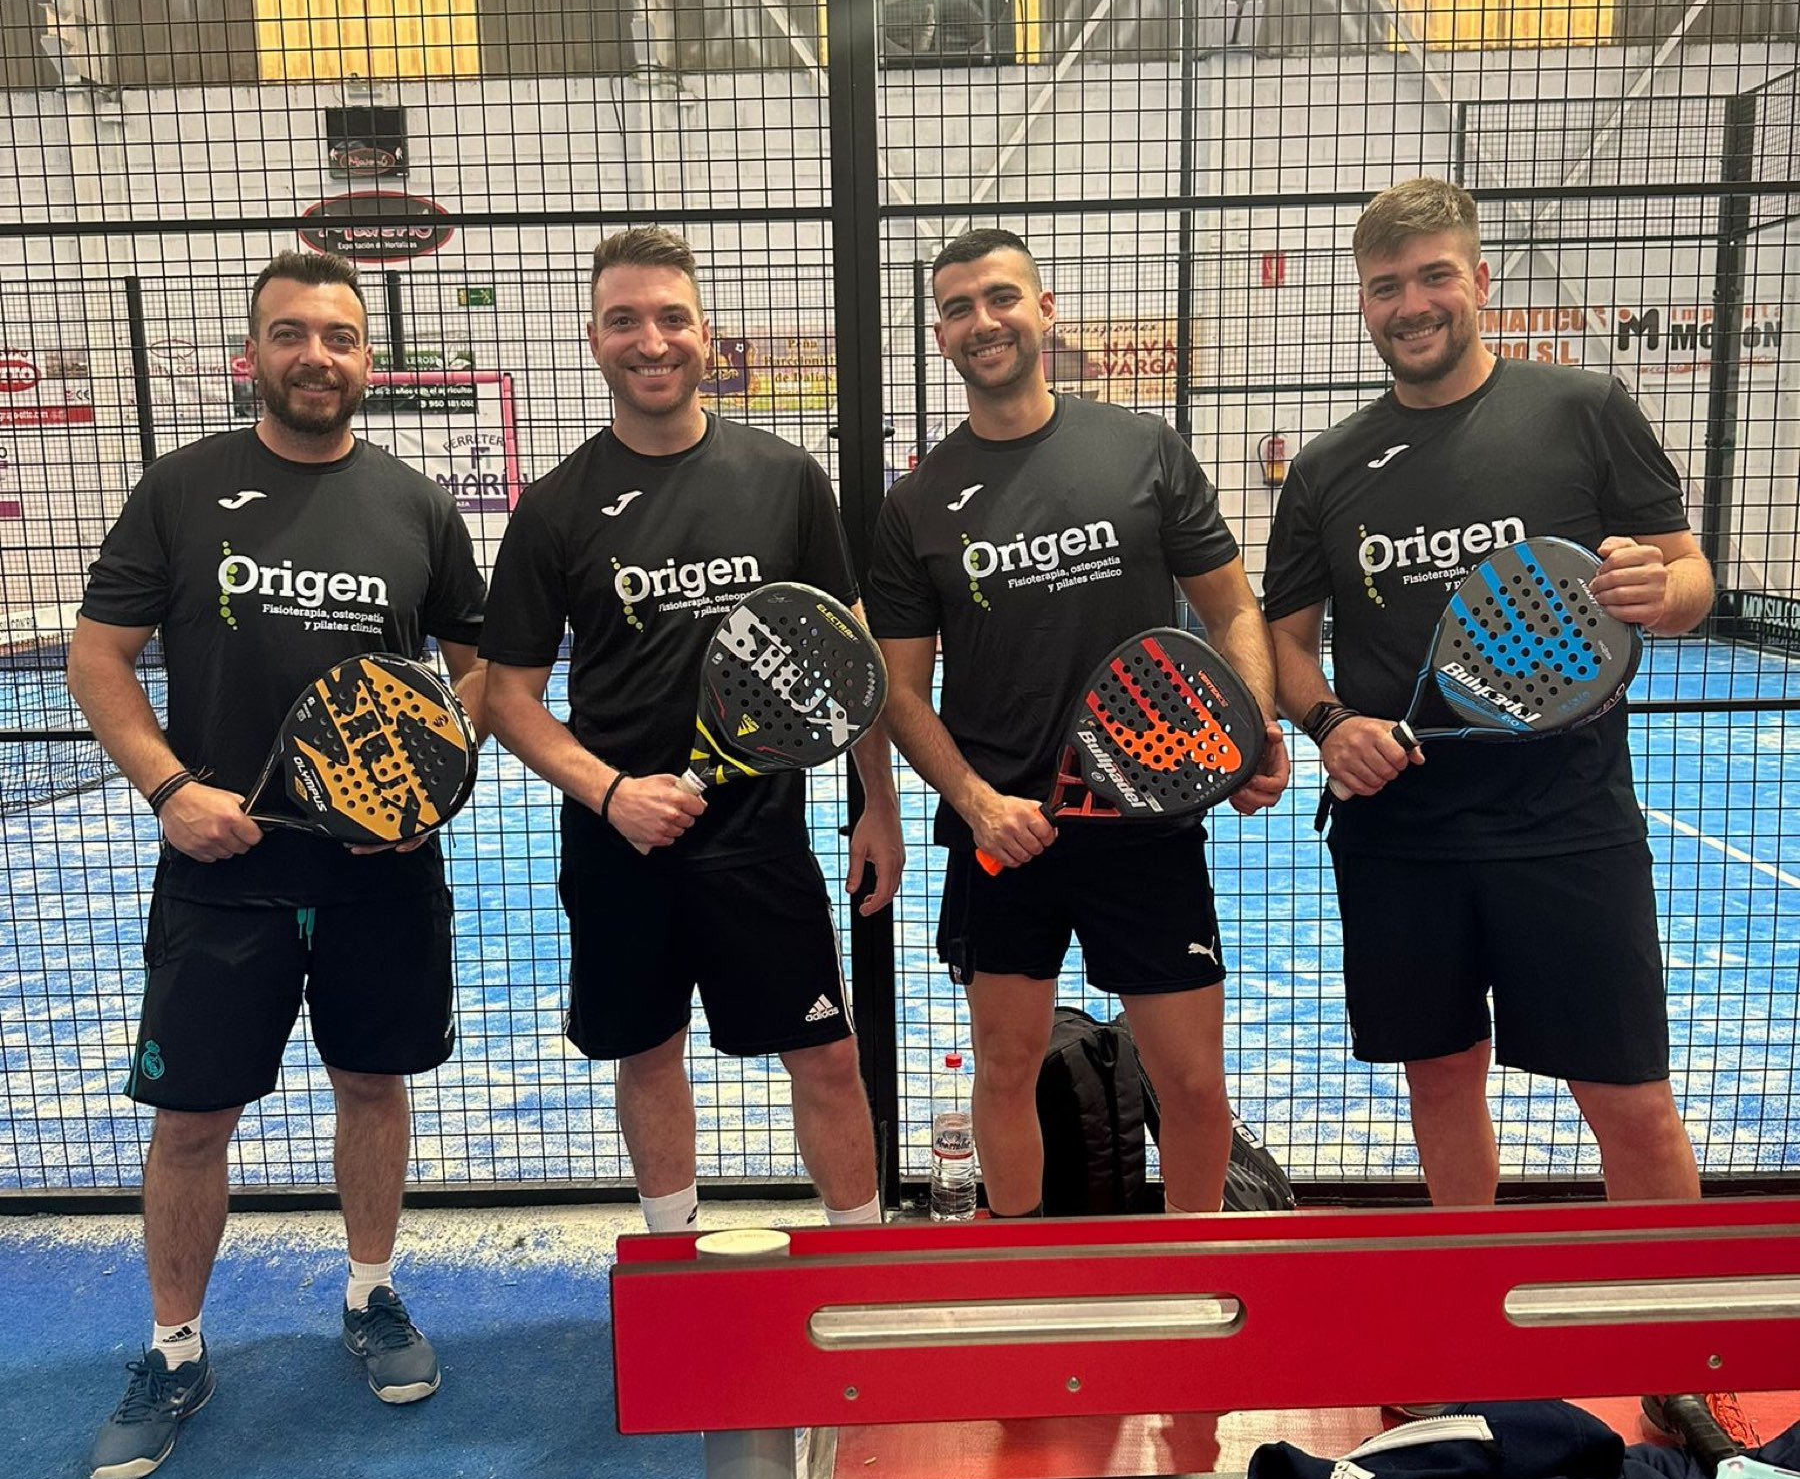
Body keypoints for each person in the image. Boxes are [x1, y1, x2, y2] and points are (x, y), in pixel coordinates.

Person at [68, 249, 488, 1479]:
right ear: (253, 354)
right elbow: (99, 656)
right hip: (222, 871)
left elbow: (479, 670)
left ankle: (370, 1294)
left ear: (369, 359)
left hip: (379, 875)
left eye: (340, 337)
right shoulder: (182, 489)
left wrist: (425, 780)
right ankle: (174, 1348)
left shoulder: (416, 506)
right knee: (193, 1118)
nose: (318, 356)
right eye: (293, 334)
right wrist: (170, 790)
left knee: (372, 1084)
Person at [1263, 177, 1714, 1209]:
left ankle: (1673, 1313)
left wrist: (1663, 590)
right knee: (1439, 1081)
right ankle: (1469, 1298)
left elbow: (1690, 577)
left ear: (1479, 279)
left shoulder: (1583, 411)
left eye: (1434, 277)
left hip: (1568, 819)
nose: (1411, 304)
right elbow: (1284, 641)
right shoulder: (1328, 468)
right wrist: (1331, 724)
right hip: (1400, 831)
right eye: (1386, 286)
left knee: (1631, 1101)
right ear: (1363, 300)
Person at [480, 226, 902, 1234]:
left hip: (759, 840)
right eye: (624, 319)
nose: (651, 340)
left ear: (707, 335)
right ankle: (674, 1260)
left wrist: (878, 807)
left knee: (828, 1057)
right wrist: (612, 793)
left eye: (673, 317)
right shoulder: (554, 508)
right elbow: (507, 698)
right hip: (618, 844)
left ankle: (861, 1265)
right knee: (648, 1055)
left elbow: (849, 657)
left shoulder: (784, 478)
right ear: (593, 340)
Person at [867, 227, 1289, 1218]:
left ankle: (1193, 1274)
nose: (984, 321)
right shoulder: (918, 503)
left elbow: (1231, 605)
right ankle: (1018, 1268)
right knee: (1006, 1070)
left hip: (1150, 818)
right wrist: (977, 803)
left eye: (1002, 297)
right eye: (960, 308)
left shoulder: (1142, 449)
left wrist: (1254, 723)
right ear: (941, 335)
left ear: (1044, 310)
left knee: (1193, 1083)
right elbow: (900, 691)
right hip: (1005, 835)